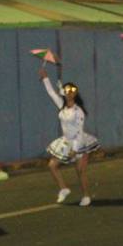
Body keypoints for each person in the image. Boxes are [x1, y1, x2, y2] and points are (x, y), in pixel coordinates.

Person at [39, 68, 100, 206]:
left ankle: (86, 196)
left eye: (71, 91)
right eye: (67, 91)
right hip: (66, 141)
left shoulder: (79, 111)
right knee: (52, 165)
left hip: (80, 142)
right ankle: (64, 188)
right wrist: (45, 78)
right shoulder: (62, 105)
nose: (69, 93)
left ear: (75, 93)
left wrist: (76, 149)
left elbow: (79, 131)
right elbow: (51, 93)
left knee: (80, 171)